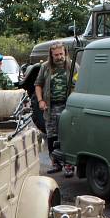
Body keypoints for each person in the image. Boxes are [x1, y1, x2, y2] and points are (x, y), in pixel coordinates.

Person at [34, 43, 75, 176]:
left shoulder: (72, 66)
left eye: (61, 54)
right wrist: (40, 100)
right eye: (56, 55)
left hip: (68, 107)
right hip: (50, 107)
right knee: (52, 136)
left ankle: (69, 165)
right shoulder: (45, 67)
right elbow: (38, 85)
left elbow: (78, 83)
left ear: (65, 53)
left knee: (67, 136)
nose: (59, 57)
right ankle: (55, 163)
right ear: (51, 55)